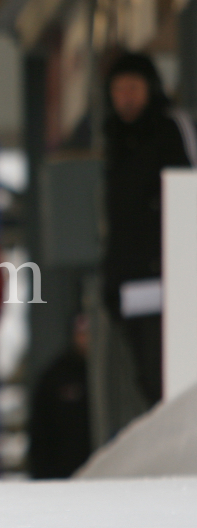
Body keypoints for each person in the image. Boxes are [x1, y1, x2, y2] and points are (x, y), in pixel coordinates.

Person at [102, 53, 196, 407]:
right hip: (134, 285)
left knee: (173, 378)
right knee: (149, 382)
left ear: (150, 89)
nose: (126, 97)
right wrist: (113, 279)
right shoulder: (116, 144)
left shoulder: (174, 129)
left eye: (133, 88)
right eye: (118, 89)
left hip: (175, 281)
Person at [28, 314, 92, 479]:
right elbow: (40, 429)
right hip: (63, 474)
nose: (86, 340)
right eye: (82, 334)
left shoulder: (111, 376)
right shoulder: (55, 377)